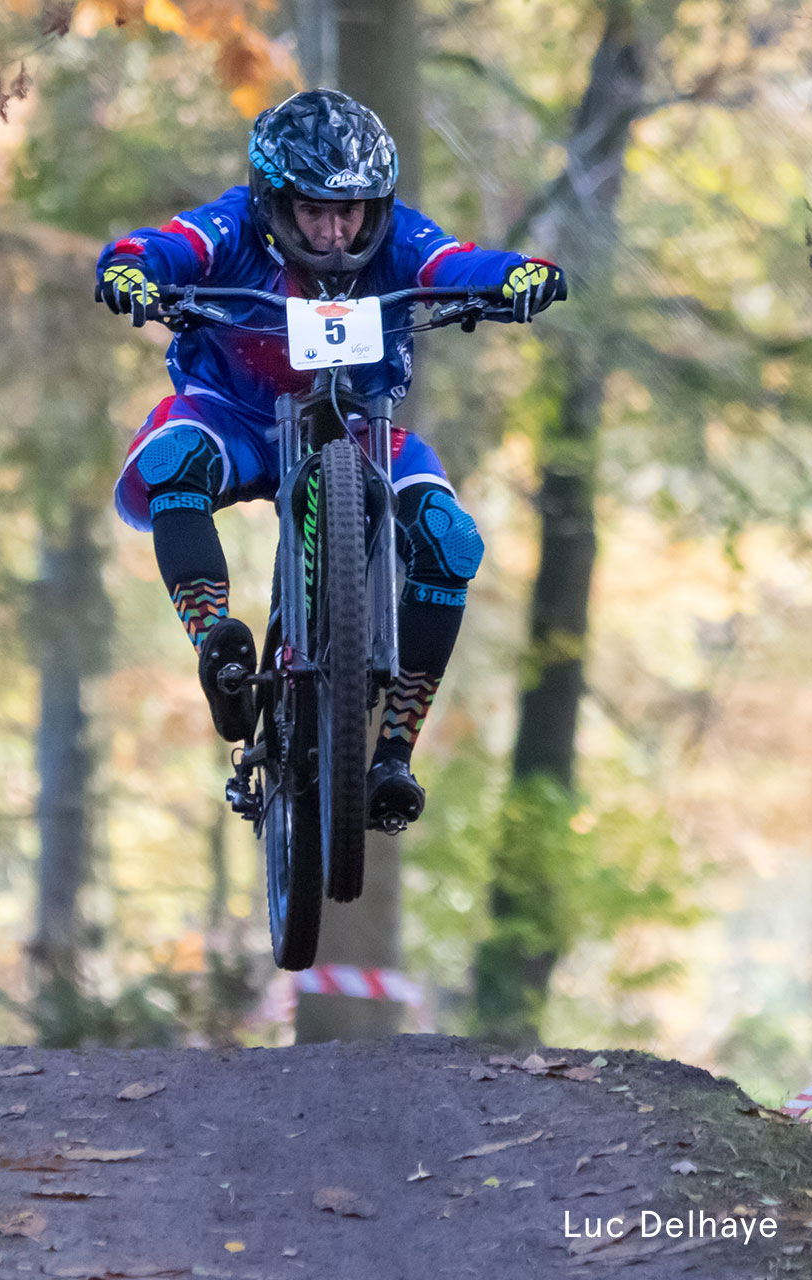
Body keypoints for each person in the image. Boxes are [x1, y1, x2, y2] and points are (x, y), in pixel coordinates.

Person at [94, 88, 565, 830]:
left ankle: (392, 755)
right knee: (172, 457)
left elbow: (454, 262)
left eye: (353, 212)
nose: (337, 232)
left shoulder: (397, 236)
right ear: (273, 202)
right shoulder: (232, 224)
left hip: (359, 429)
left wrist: (515, 277)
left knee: (451, 539)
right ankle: (217, 644)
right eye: (314, 211)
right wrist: (131, 270)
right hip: (235, 417)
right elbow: (164, 246)